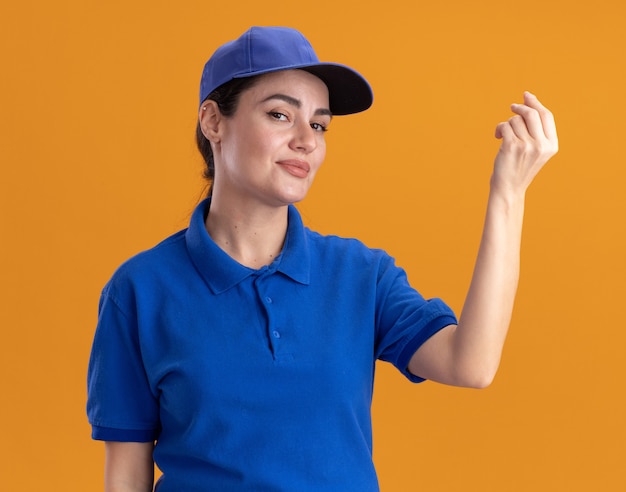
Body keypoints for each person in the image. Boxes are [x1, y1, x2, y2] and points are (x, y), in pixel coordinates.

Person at [86, 26, 558, 492]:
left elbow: (470, 364)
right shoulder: (139, 291)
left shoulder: (361, 276)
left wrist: (508, 193)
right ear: (213, 122)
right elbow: (126, 477)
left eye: (318, 124)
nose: (306, 141)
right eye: (278, 115)